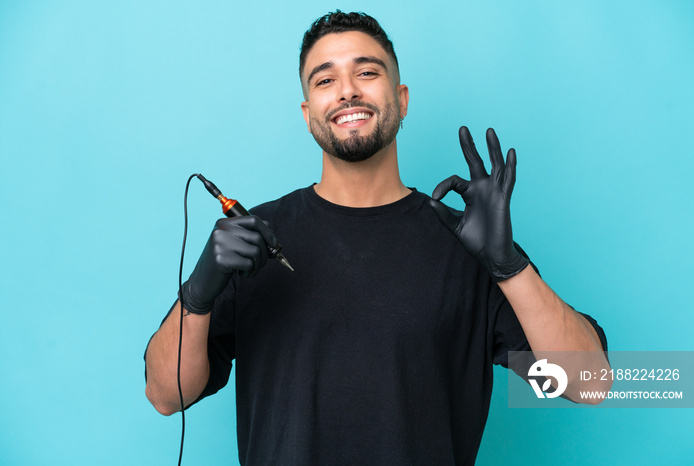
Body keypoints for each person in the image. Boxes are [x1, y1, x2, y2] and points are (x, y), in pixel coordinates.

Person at [145, 11, 610, 465]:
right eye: (325, 80)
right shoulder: (252, 240)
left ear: (401, 99)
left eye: (367, 72)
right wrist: (199, 293)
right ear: (309, 114)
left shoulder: (468, 244)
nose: (347, 90)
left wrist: (510, 266)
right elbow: (166, 396)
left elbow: (590, 384)